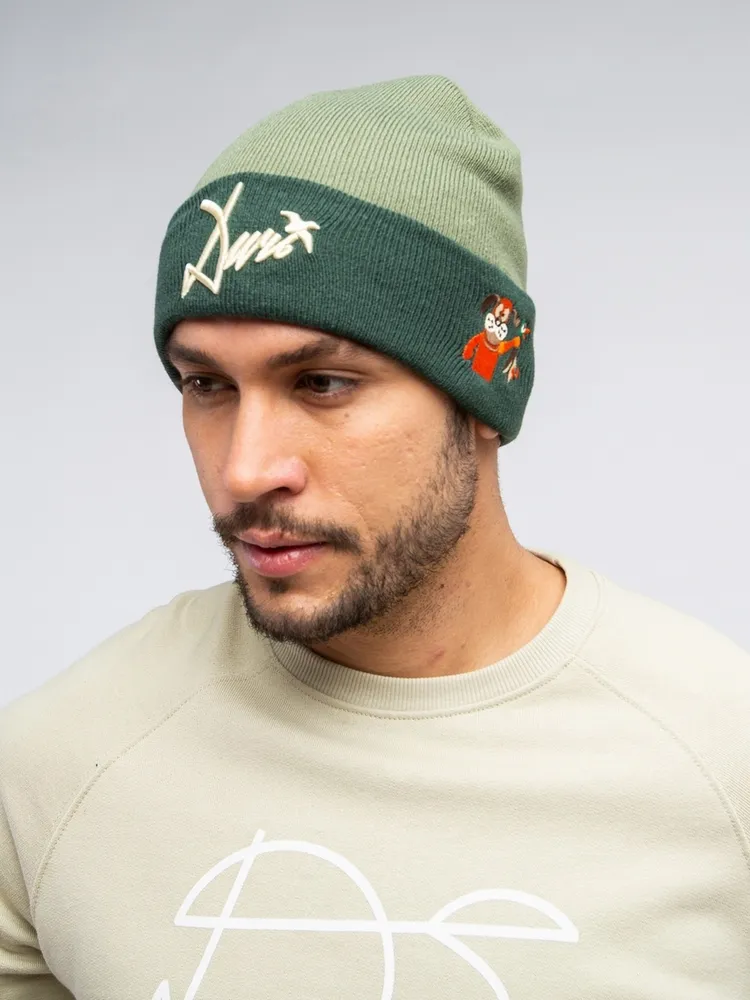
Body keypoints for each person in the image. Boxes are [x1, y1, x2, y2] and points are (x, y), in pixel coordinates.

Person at [1, 75, 748, 1000]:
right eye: (207, 386)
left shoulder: (721, 756)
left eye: (322, 383)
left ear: (482, 392)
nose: (246, 469)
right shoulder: (56, 768)